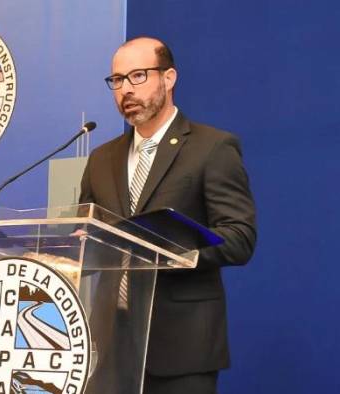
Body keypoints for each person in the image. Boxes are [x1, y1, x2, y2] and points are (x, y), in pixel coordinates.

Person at [79, 37, 257, 393]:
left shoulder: (212, 147)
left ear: (169, 78)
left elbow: (240, 238)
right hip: (111, 344)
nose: (126, 90)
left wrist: (173, 255)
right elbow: (86, 237)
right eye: (117, 80)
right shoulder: (101, 158)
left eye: (138, 76)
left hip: (182, 347)